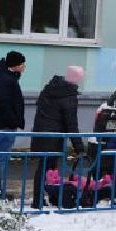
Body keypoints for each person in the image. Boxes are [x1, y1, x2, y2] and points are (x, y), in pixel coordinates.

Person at [32, 64, 87, 208]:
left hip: (41, 134)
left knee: (44, 168)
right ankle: (44, 199)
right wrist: (79, 147)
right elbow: (71, 124)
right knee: (48, 169)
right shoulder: (68, 96)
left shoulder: (50, 88)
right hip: (54, 138)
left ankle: (40, 199)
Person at [0, 50, 26, 197]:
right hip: (5, 125)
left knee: (1, 156)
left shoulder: (6, 77)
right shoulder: (5, 79)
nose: (24, 67)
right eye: (22, 64)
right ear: (15, 65)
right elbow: (3, 103)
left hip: (4, 123)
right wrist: (13, 120)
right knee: (1, 157)